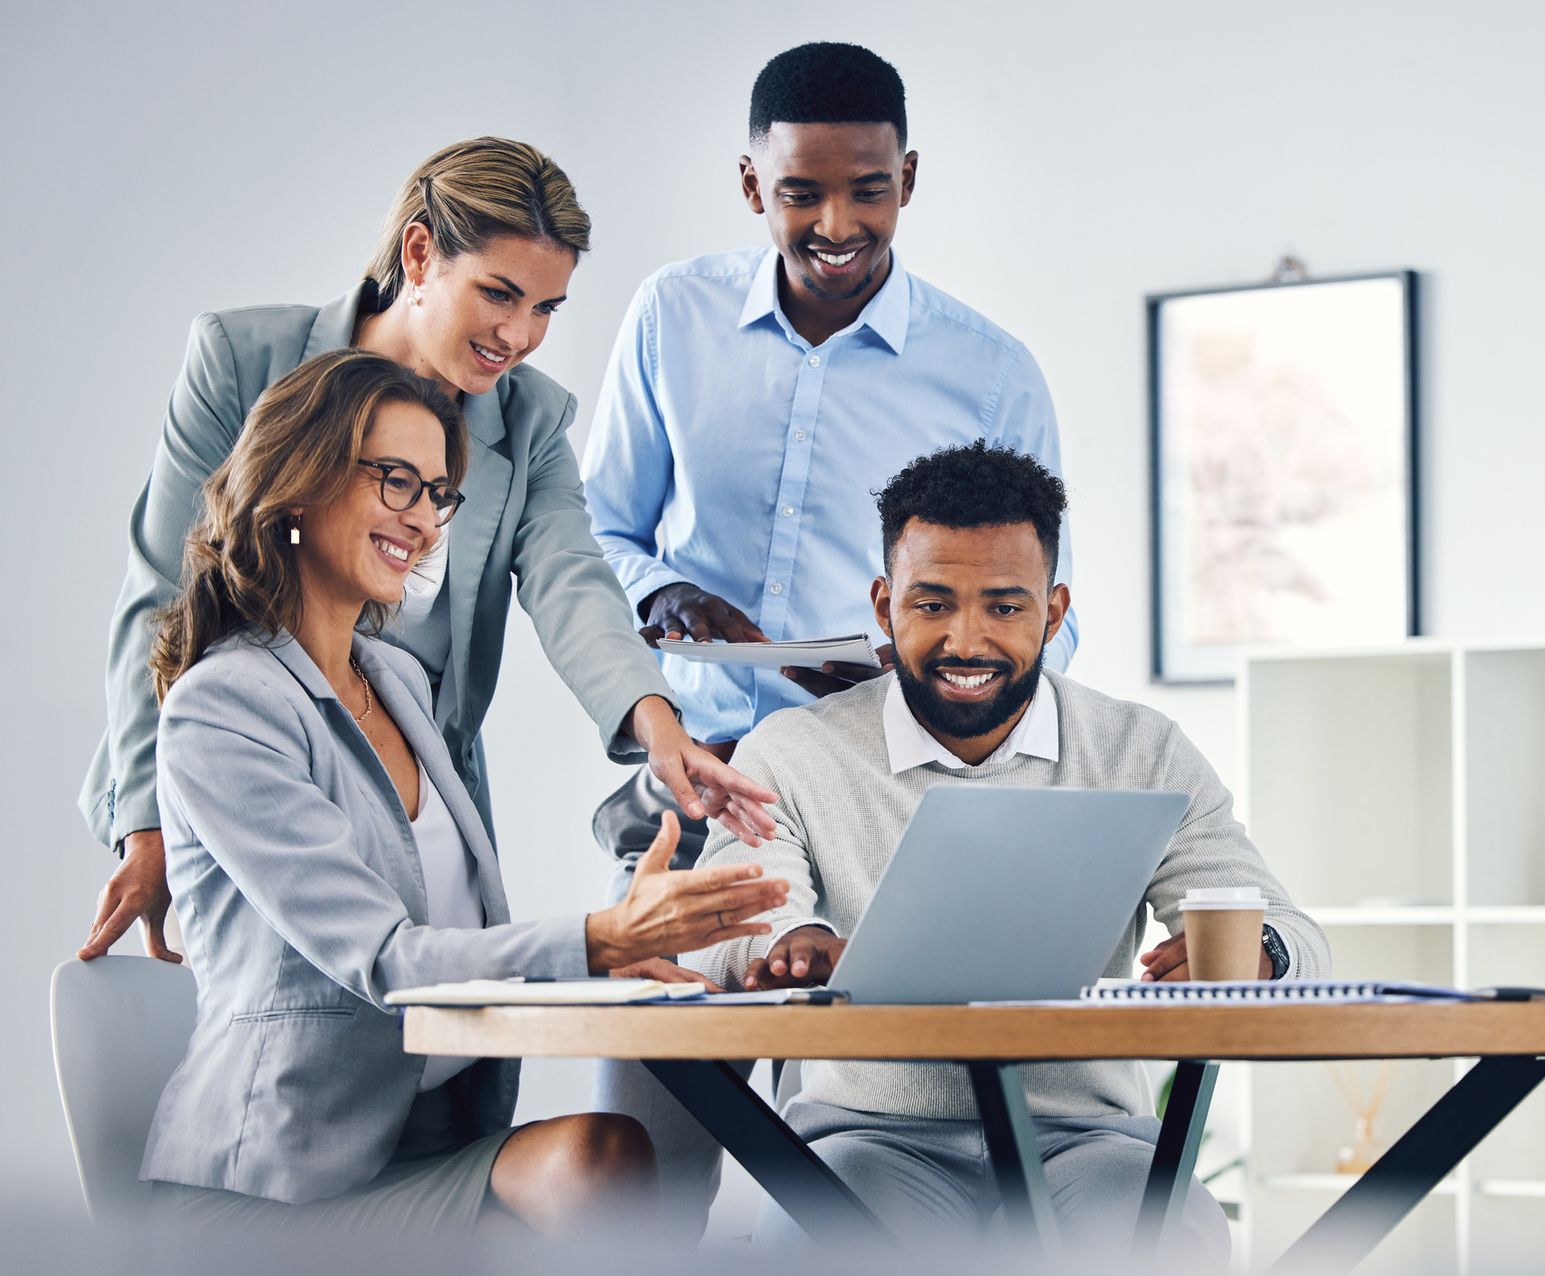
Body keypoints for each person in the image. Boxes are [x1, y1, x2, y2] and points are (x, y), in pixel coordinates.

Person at [579, 43, 1077, 1218]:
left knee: (863, 1167)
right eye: (802, 192)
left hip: (876, 804)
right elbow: (591, 532)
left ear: (909, 178)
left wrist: (912, 666)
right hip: (686, 795)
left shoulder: (991, 373)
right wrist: (661, 595)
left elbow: (1040, 626)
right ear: (754, 186)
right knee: (641, 1156)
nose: (836, 221)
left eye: (867, 188)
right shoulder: (672, 318)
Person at [79, 136, 776, 974]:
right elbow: (163, 591)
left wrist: (663, 731)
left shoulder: (528, 422)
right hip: (254, 766)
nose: (519, 335)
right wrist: (148, 822)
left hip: (419, 782)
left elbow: (572, 581)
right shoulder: (243, 362)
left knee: (444, 1049)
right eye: (499, 294)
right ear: (420, 253)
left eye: (548, 308)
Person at [140, 348, 789, 1232]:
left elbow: (463, 939)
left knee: (612, 1151)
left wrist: (612, 960)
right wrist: (594, 941)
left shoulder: (398, 681)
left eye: (438, 494)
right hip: (277, 1187)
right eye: (396, 482)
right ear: (299, 484)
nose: (424, 521)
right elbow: (388, 959)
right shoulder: (224, 706)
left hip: (438, 1143)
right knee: (601, 1165)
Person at [684, 442, 1329, 1258]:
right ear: (884, 606)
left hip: (1087, 1145)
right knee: (818, 1245)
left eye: (1004, 607)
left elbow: (1288, 929)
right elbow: (724, 927)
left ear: (1054, 613)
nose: (967, 640)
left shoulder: (1140, 748)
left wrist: (1258, 955)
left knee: (1159, 1239)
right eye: (932, 605)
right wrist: (781, 946)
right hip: (869, 1141)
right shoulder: (793, 750)